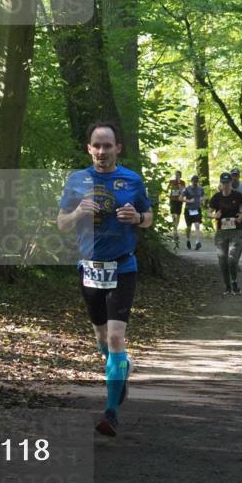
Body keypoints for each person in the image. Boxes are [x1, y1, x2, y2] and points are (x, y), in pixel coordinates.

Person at [57, 122, 152, 437]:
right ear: (89, 148)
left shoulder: (132, 180)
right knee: (101, 340)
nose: (102, 151)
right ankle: (122, 368)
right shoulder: (77, 180)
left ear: (117, 148)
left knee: (114, 338)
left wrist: (137, 218)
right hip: (90, 269)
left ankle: (110, 412)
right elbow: (62, 224)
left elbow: (148, 216)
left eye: (107, 145)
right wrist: (77, 213)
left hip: (123, 268)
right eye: (96, 145)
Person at [209, 172, 242, 296]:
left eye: (228, 183)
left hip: (236, 231)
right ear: (221, 183)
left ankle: (235, 282)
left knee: (232, 259)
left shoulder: (238, 195)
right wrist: (215, 215)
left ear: (231, 183)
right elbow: (208, 212)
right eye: (223, 183)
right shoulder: (216, 197)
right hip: (221, 232)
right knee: (222, 260)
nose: (225, 185)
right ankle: (227, 286)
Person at [180, 175, 205, 250]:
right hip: (188, 210)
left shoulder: (201, 188)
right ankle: (188, 240)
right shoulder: (187, 189)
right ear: (191, 181)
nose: (195, 182)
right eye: (194, 181)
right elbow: (180, 198)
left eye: (196, 181)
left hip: (197, 209)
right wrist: (188, 201)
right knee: (188, 227)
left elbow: (203, 196)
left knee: (197, 225)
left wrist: (202, 200)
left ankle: (197, 242)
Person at [167, 170, 186, 245]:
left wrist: (178, 183)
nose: (176, 176)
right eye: (176, 175)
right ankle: (175, 231)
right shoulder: (171, 181)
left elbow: (183, 191)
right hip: (172, 200)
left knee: (178, 215)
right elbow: (167, 189)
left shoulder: (182, 182)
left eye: (178, 175)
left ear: (180, 176)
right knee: (173, 215)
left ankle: (175, 229)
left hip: (179, 200)